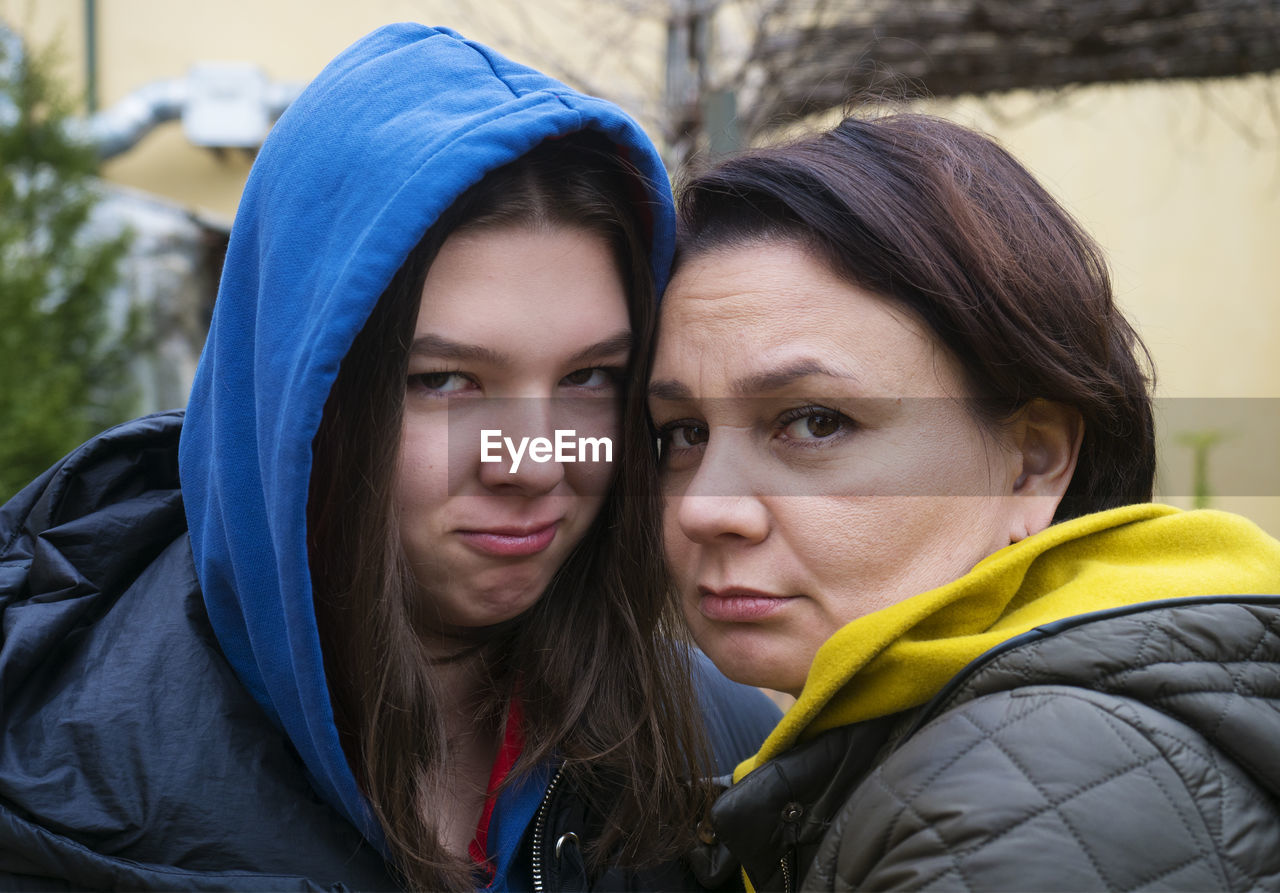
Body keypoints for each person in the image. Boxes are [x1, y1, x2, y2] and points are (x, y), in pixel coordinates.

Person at [0, 23, 779, 891]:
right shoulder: (56, 797)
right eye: (443, 381)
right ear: (300, 394)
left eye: (591, 376)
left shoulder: (716, 744)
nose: (531, 463)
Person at [649, 111, 1280, 891]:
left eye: (815, 421)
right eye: (679, 432)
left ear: (1033, 462)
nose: (704, 509)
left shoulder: (1020, 798)